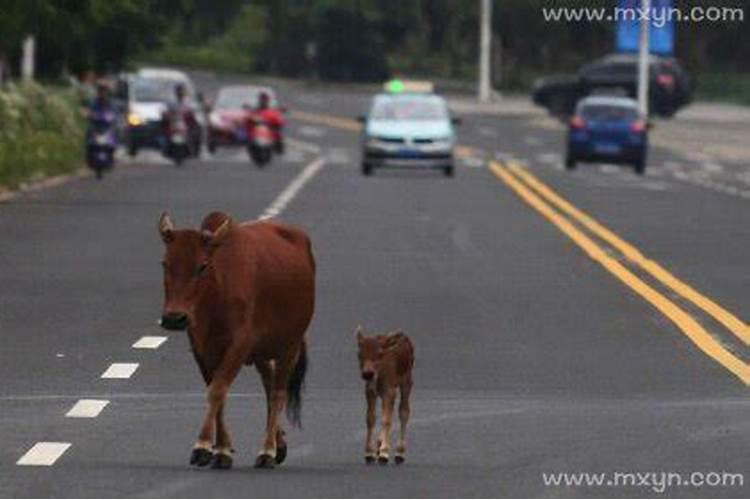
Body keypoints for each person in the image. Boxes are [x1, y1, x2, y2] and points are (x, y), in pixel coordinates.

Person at [162, 83, 200, 155]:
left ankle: (193, 149)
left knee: (196, 131)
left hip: (185, 122)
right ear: (175, 92)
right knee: (164, 131)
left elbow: (194, 110)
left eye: (181, 91)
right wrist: (167, 115)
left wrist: (192, 114)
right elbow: (166, 110)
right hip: (174, 121)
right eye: (178, 91)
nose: (180, 93)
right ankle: (166, 148)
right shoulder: (171, 101)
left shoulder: (188, 102)